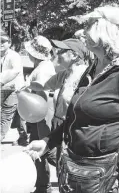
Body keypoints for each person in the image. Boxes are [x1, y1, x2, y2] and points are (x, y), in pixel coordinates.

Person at [25, 6, 119, 193]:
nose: (83, 32)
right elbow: (75, 116)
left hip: (109, 175)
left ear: (104, 31)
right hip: (77, 172)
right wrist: (47, 141)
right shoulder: (93, 68)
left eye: (89, 25)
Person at [29, 38, 90, 168]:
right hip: (60, 125)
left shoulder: (86, 75)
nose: (57, 53)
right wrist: (25, 86)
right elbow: (43, 86)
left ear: (74, 55)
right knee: (61, 164)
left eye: (62, 50)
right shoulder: (64, 74)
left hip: (75, 127)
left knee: (72, 165)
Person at [22, 35, 56, 193]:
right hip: (39, 113)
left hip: (42, 113)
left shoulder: (43, 68)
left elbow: (42, 89)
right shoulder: (44, 65)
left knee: (47, 150)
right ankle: (43, 185)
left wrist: (27, 87)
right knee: (39, 147)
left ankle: (44, 186)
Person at [1, 34, 25, 142]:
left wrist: (1, 82)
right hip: (4, 88)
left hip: (14, 88)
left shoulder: (14, 56)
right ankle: (23, 136)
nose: (0, 43)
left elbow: (15, 71)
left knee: (7, 113)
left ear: (9, 43)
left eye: (3, 41)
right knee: (16, 114)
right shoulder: (1, 55)